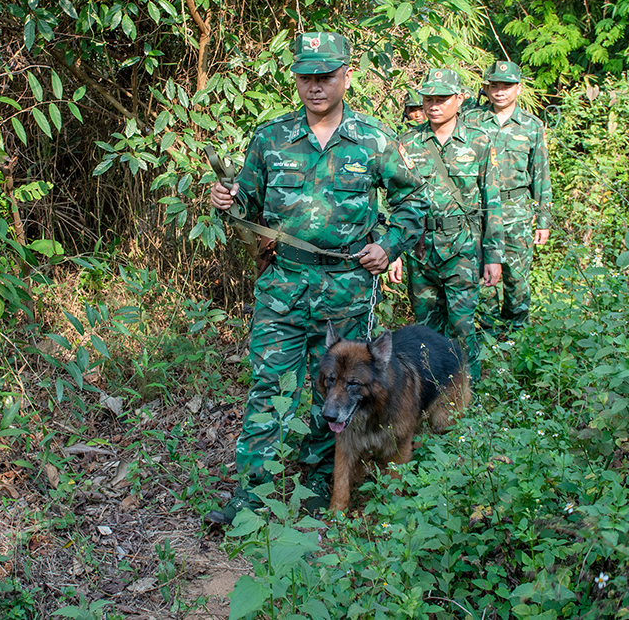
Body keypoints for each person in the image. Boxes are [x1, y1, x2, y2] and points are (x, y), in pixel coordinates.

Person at [205, 32, 428, 525]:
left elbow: (414, 203)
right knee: (268, 386)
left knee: (333, 390)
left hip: (346, 291)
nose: (316, 86)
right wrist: (229, 204)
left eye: (326, 76)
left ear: (346, 76)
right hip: (283, 287)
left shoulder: (373, 140)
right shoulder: (270, 138)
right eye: (306, 77)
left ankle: (318, 481)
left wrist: (386, 245)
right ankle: (251, 497)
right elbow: (249, 207)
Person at [387, 68, 502, 382]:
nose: (433, 105)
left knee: (462, 326)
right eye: (428, 99)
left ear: (460, 99)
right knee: (425, 330)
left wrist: (493, 256)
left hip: (462, 248)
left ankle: (468, 393)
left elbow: (492, 200)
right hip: (420, 249)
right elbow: (395, 200)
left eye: (442, 98)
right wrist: (393, 250)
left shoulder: (478, 141)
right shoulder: (407, 142)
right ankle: (428, 393)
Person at [463, 60, 552, 335]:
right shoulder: (471, 120)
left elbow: (540, 173)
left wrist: (543, 219)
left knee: (517, 277)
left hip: (516, 211)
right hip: (480, 211)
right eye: (495, 85)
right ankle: (488, 334)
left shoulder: (531, 125)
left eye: (507, 86)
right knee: (484, 275)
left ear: (519, 88)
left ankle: (516, 335)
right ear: (486, 88)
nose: (500, 91)